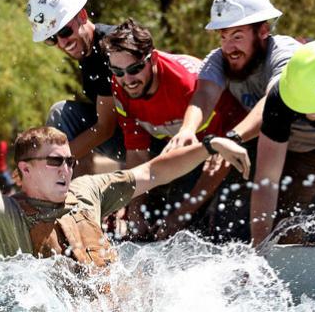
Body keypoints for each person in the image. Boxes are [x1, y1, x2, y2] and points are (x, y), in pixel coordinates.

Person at [0, 127, 249, 266]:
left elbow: (153, 172)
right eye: (54, 161)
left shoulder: (87, 190)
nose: (66, 168)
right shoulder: (1, 212)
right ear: (25, 170)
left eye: (68, 160)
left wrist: (209, 145)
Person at [165, 0, 305, 242]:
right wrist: (187, 130)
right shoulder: (219, 59)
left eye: (237, 36)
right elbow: (204, 95)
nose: (229, 48)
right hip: (263, 149)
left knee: (303, 229)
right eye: (223, 37)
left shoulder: (285, 53)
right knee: (230, 226)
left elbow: (272, 103)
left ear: (262, 31)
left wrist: (232, 138)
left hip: (314, 152)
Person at [100, 18, 247, 239]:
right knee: (145, 224)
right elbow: (137, 153)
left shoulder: (186, 86)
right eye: (118, 71)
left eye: (135, 69)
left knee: (183, 227)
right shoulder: (119, 84)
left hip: (228, 144)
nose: (127, 79)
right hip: (172, 140)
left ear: (154, 59)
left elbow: (216, 164)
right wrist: (135, 214)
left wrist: (180, 216)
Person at [27, 0, 124, 174]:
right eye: (52, 39)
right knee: (63, 113)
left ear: (82, 16)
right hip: (129, 135)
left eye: (65, 31)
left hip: (157, 138)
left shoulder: (111, 47)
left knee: (65, 116)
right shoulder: (87, 50)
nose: (63, 43)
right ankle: (73, 197)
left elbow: (105, 128)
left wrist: (48, 164)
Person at [250, 40, 315, 245]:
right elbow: (266, 180)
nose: (309, 114)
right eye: (302, 105)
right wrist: (259, 249)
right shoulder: (282, 96)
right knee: (288, 229)